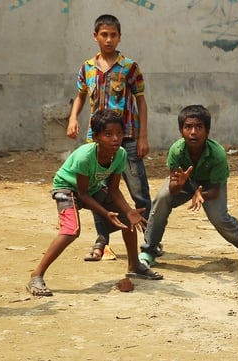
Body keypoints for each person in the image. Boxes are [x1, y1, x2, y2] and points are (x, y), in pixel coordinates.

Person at [26, 110, 163, 297]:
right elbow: (81, 194)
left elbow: (114, 190)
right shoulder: (85, 156)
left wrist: (128, 211)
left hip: (91, 188)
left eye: (119, 134)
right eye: (108, 134)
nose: (115, 139)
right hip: (67, 188)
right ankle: (36, 275)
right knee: (71, 230)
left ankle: (134, 265)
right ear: (96, 137)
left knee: (127, 219)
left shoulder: (120, 154)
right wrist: (105, 214)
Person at [66, 14, 156, 262]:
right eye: (103, 35)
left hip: (126, 137)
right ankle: (102, 240)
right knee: (97, 191)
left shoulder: (129, 67)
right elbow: (81, 96)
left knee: (138, 190)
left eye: (113, 35)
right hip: (97, 140)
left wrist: (142, 136)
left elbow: (141, 101)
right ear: (95, 37)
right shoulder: (87, 67)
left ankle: (150, 242)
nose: (108, 39)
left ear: (119, 37)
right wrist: (73, 118)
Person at [137, 105, 238, 271]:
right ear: (181, 130)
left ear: (207, 131)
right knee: (162, 198)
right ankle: (149, 250)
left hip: (209, 187)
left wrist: (200, 193)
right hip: (184, 181)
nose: (193, 132)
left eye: (199, 127)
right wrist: (180, 183)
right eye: (188, 127)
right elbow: (173, 189)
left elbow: (215, 190)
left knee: (220, 218)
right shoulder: (176, 151)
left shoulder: (217, 153)